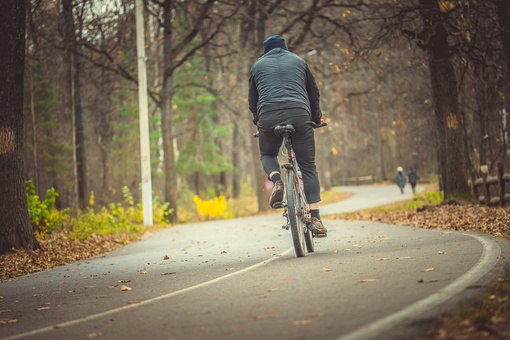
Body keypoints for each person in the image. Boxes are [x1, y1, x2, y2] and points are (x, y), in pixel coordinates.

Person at [248, 35, 327, 236]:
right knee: (308, 166)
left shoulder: (257, 66)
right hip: (299, 113)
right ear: (285, 48)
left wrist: (259, 123)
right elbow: (313, 93)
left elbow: (253, 99)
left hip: (268, 115)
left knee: (267, 154)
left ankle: (277, 181)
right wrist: (316, 118)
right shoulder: (299, 61)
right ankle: (315, 218)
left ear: (265, 51)